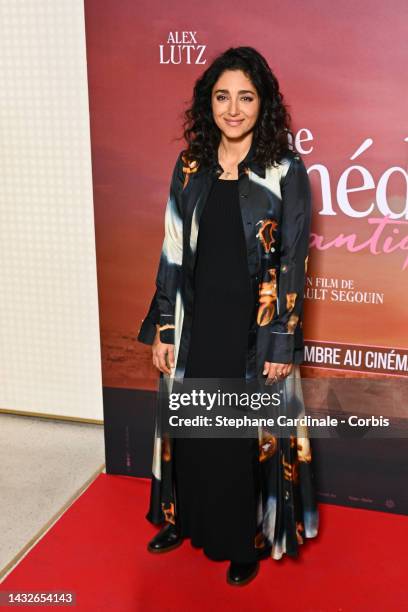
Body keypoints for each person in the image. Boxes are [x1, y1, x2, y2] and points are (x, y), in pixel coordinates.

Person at [137, 46, 319, 586]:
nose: (233, 109)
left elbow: (293, 262)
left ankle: (244, 541)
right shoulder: (189, 164)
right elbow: (171, 249)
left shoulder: (285, 170)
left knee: (241, 440)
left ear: (263, 103)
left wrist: (282, 343)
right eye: (222, 96)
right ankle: (182, 518)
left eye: (246, 96)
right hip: (198, 323)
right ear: (208, 103)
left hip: (254, 329)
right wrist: (165, 326)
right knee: (191, 434)